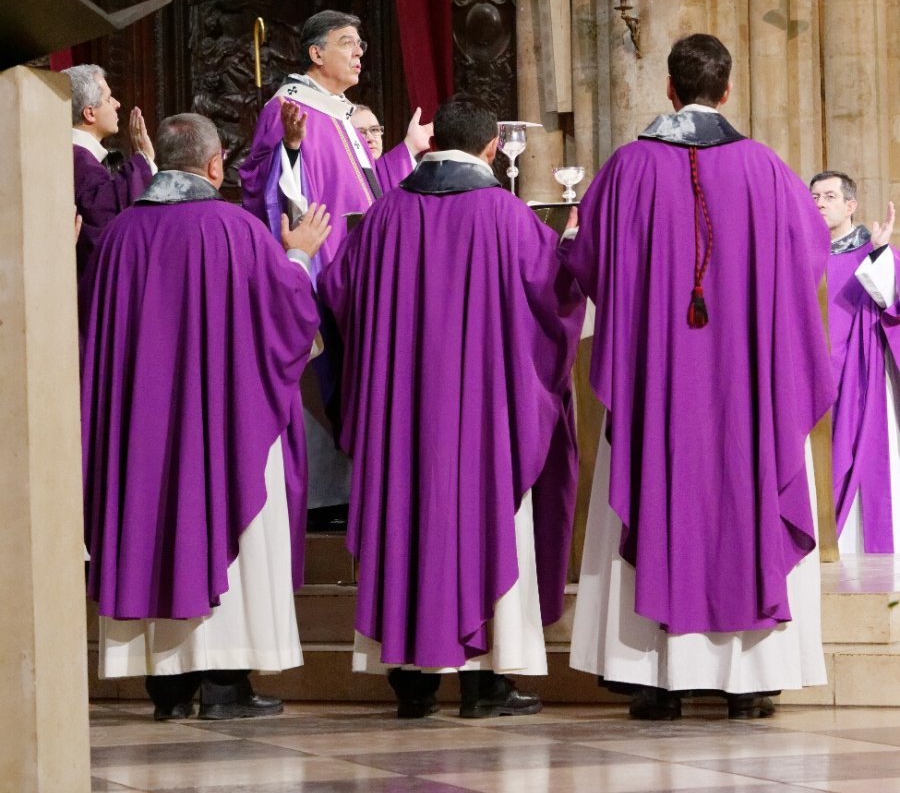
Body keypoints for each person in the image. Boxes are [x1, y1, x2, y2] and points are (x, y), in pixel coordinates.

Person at [567, 33, 834, 721]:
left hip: (658, 384)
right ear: (729, 87)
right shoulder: (767, 170)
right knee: (748, 487)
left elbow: (587, 260)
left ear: (668, 88)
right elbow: (811, 257)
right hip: (747, 389)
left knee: (656, 485)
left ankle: (656, 680)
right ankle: (749, 681)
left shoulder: (627, 168)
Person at [319, 94, 585, 718]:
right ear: (493, 147)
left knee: (403, 515)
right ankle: (483, 683)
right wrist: (570, 251)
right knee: (480, 518)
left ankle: (411, 681)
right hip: (483, 421)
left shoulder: (385, 215)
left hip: (400, 419)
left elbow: (337, 291)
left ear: (433, 142)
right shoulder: (508, 215)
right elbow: (552, 301)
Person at [80, 113, 331, 721]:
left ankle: (167, 687)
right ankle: (225, 686)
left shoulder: (120, 237)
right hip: (221, 426)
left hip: (142, 431)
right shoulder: (233, 228)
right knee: (227, 526)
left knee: (151, 523)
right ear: (216, 166)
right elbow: (285, 320)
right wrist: (297, 258)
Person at [240, 10, 431, 277]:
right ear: (316, 54)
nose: (359, 52)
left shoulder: (341, 113)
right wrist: (290, 149)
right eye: (346, 43)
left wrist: (409, 148)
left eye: (359, 44)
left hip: (363, 263)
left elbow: (369, 187)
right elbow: (261, 186)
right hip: (327, 265)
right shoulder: (287, 109)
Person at [810, 171, 900, 553]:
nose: (819, 203)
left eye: (829, 196)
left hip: (862, 376)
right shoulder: (801, 256)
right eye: (813, 196)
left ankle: (861, 545)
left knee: (865, 457)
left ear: (851, 206)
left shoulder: (874, 252)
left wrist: (880, 253)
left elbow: (888, 300)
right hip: (813, 376)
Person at [65, 64, 155, 278]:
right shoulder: (80, 162)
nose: (117, 104)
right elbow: (103, 222)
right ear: (89, 113)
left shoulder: (68, 155)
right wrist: (145, 159)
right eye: (108, 99)